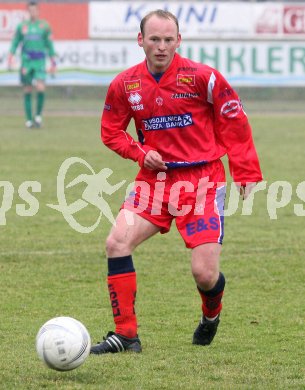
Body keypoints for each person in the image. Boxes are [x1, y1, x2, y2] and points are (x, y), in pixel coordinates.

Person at [90, 10, 263, 354]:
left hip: (202, 183)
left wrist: (245, 170)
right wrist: (140, 154)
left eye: (169, 40)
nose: (161, 47)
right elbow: (110, 132)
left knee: (205, 274)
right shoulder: (125, 84)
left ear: (178, 41)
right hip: (154, 182)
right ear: (141, 40)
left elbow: (234, 121)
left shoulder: (203, 78)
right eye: (154, 39)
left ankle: (210, 315)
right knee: (116, 242)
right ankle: (126, 335)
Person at [8, 1, 56, 129]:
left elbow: (49, 44)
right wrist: (11, 55)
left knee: (40, 87)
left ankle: (38, 116)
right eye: (30, 10)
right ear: (28, 11)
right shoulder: (22, 27)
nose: (33, 12)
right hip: (26, 61)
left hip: (39, 61)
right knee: (27, 89)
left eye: (35, 10)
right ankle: (29, 120)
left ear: (38, 11)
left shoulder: (44, 26)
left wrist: (53, 60)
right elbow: (15, 42)